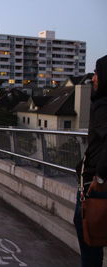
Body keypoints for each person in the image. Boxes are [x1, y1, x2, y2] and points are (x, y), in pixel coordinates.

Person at [74, 55, 107, 267]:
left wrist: (100, 178)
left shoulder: (103, 105)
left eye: (96, 73)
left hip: (95, 185)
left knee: (88, 235)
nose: (93, 78)